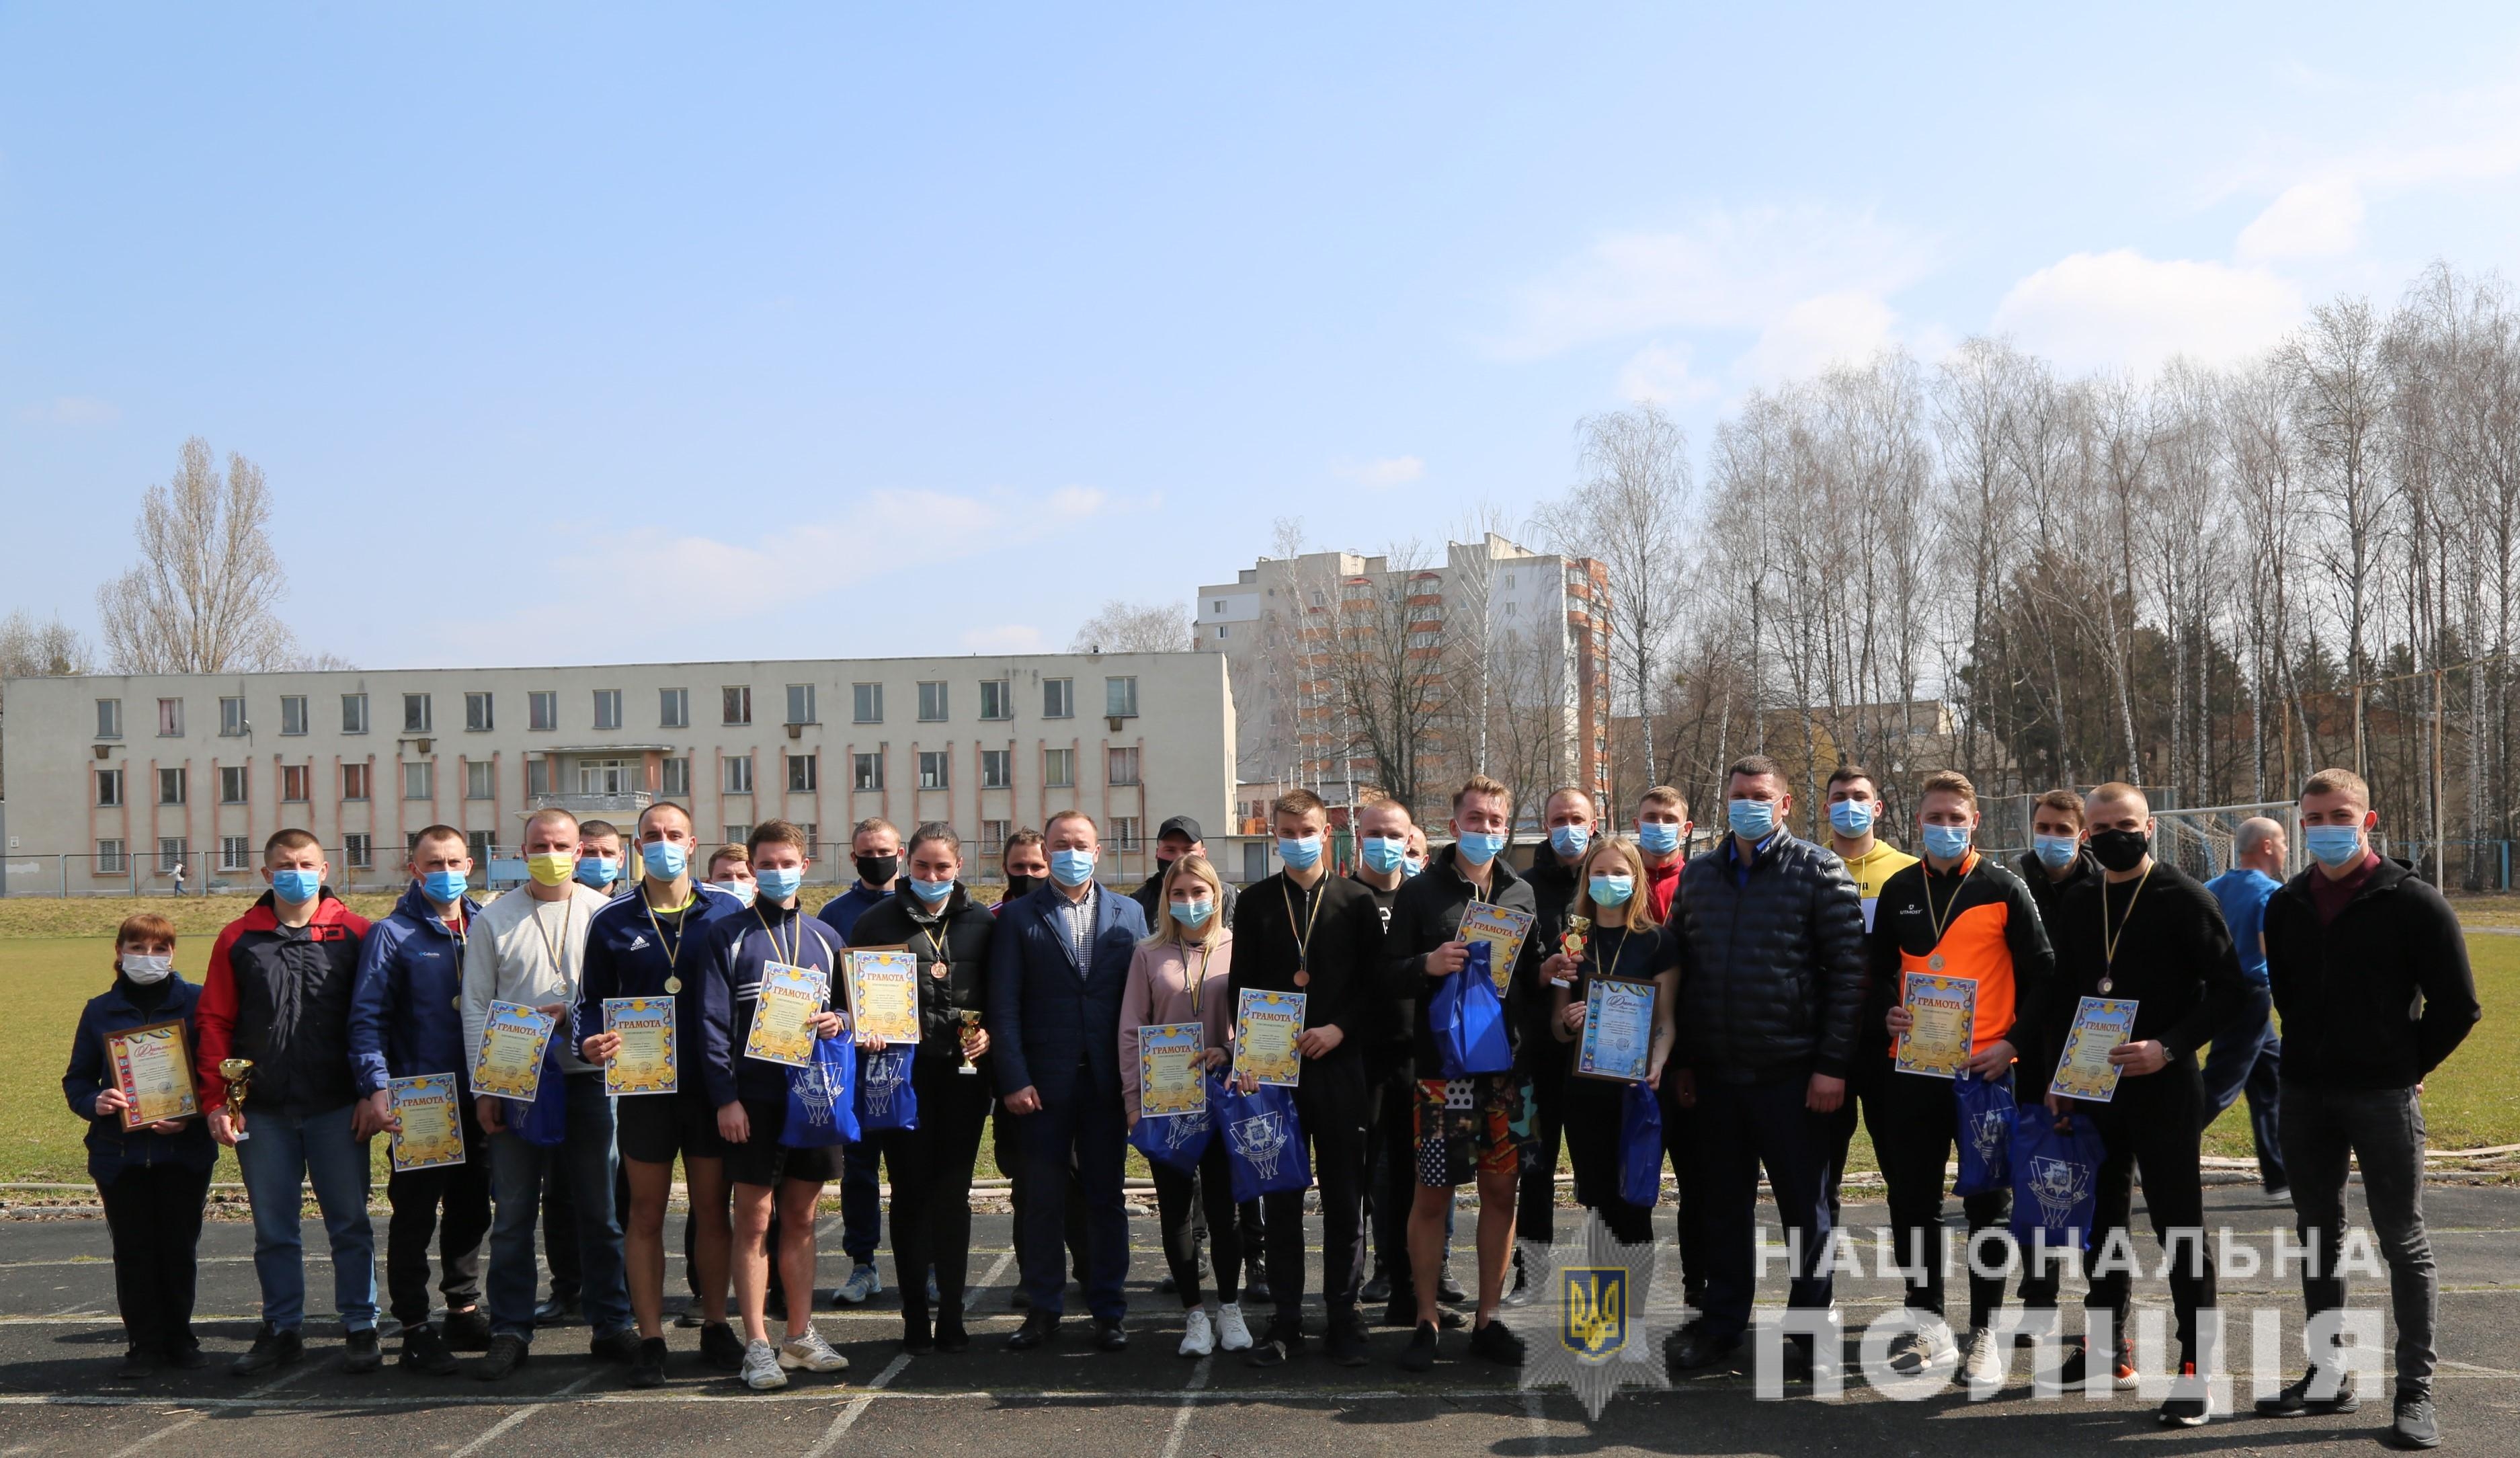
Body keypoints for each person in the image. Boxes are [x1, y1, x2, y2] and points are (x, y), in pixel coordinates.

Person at [2254, 769, 2480, 1449]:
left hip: (2381, 1097)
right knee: (2317, 1235)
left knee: (2401, 1242)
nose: (2325, 826)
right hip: (2302, 1096)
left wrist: (2403, 1065)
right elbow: (2287, 997)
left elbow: (2457, 1005)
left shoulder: (2413, 902)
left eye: (2338, 813)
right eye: (2313, 815)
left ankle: (2414, 1392)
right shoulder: (2285, 903)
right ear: (2299, 824)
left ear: (2367, 819)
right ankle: (2327, 1376)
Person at [2037, 782, 2248, 1426]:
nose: (2110, 837)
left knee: (2178, 1225)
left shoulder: (2183, 897)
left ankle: (2196, 1369)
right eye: (2097, 829)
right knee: (2100, 1223)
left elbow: (2234, 993)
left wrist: (2170, 1045)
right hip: (2092, 1085)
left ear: (2148, 825)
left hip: (2162, 1085)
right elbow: (2066, 992)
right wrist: (2056, 1074)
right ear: (2084, 835)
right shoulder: (2078, 900)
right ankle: (2108, 1347)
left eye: (2122, 824)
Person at [1665, 755, 1865, 1377]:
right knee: (1722, 1209)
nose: (1746, 805)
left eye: (1758, 795)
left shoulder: (1817, 869)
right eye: (1736, 795)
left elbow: (1849, 975)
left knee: (1806, 1211)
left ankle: (1808, 1331)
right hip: (1718, 1079)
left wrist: (1831, 1065)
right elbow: (1685, 978)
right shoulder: (1697, 878)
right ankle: (1722, 1324)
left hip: (1794, 1078)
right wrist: (1686, 1063)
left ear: (1783, 805)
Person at [1865, 771, 2051, 1385]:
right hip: (1913, 1072)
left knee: (1986, 1206)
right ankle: (1929, 1325)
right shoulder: (1897, 888)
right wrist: (1885, 1008)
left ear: (1974, 822)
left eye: (1954, 817)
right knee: (1910, 1201)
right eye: (1932, 817)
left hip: (1985, 1074)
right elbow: (1873, 972)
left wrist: (2012, 1045)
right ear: (1915, 822)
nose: (1942, 827)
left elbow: (2044, 977)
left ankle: (1985, 1333)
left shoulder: (2004, 887)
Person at [575, 801, 750, 1386]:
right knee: (644, 1212)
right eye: (652, 835)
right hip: (644, 1088)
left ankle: (717, 1323)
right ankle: (649, 1337)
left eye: (673, 834)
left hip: (711, 1087)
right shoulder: (612, 919)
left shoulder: (727, 909)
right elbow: (589, 1003)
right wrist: (588, 1042)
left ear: (693, 842)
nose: (663, 842)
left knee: (711, 1212)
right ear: (635, 845)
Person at [196, 829, 380, 1378]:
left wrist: (373, 1092)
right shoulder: (237, 937)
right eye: (283, 864)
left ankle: (360, 1324)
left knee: (349, 1222)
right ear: (265, 872)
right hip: (264, 1110)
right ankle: (281, 1328)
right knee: (274, 1228)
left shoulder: (359, 933)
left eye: (305, 863)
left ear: (325, 870)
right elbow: (214, 1022)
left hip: (336, 1107)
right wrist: (216, 1100)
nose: (294, 872)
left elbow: (375, 1020)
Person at [461, 807, 636, 1381]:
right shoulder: (494, 917)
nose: (551, 852)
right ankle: (510, 1327)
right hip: (517, 1083)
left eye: (561, 844)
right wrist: (483, 1085)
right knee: (512, 1213)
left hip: (590, 1082)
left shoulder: (604, 913)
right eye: (539, 844)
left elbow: (621, 999)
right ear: (522, 848)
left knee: (601, 1210)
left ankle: (611, 1321)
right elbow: (475, 1006)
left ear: (580, 852)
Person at [692, 819, 854, 1391]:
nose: (776, 871)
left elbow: (849, 1012)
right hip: (753, 1101)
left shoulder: (826, 937)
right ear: (753, 867)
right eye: (766, 862)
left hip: (812, 1099)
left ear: (804, 865)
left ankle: (800, 1336)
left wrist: (842, 1019)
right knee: (754, 1219)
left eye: (787, 861)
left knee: (803, 1219)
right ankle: (758, 1343)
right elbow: (711, 1023)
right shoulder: (727, 934)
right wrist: (726, 1098)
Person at [1385, 774, 1539, 1372]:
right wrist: (1427, 962)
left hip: (1507, 1069)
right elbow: (1385, 974)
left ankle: (1488, 1319)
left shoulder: (1521, 893)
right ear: (1454, 826)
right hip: (1442, 1072)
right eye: (1474, 819)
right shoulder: (1420, 894)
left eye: (1494, 821)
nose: (1484, 830)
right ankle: (1425, 1319)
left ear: (1506, 828)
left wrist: (1552, 967)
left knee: (1503, 1191)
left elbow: (1529, 977)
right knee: (1432, 1195)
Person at [1229, 788, 1386, 1367]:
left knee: (1345, 1198)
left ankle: (1344, 1317)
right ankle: (1287, 1321)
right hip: (1275, 1072)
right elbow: (1241, 985)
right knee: (1282, 1198)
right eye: (1286, 831)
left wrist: (1340, 1029)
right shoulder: (1254, 902)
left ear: (1328, 832)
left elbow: (1376, 987)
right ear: (1274, 834)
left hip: (1340, 1066)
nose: (1297, 840)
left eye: (1308, 830)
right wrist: (1246, 1058)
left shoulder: (1355, 900)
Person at [988, 809, 1149, 1352]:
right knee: (1041, 1200)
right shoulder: (1017, 918)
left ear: (1098, 851)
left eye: (1080, 843)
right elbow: (1003, 1004)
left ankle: (1108, 1308)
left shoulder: (1130, 914)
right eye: (1060, 842)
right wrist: (1013, 1076)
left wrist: (1141, 1082)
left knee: (1106, 1199)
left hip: (1108, 1083)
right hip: (1041, 1084)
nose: (1070, 851)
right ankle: (1043, 1308)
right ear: (1047, 849)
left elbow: (1143, 1003)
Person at [847, 822, 1000, 1354]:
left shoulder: (982, 921)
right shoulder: (875, 921)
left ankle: (952, 1314)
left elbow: (999, 996)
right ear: (906, 866)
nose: (931, 876)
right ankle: (914, 1316)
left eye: (941, 867)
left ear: (959, 868)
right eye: (921, 866)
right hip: (900, 1076)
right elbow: (853, 999)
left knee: (952, 1196)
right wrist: (862, 1027)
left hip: (962, 1078)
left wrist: (990, 1034)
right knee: (909, 1194)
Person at [347, 826, 493, 1375]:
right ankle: (412, 1324)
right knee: (413, 1216)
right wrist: (376, 1085)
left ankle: (463, 1305)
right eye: (433, 862)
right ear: (414, 868)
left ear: (471, 863)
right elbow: (367, 1019)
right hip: (421, 1097)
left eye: (454, 860)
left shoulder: (485, 924)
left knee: (472, 1206)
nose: (445, 871)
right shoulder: (392, 933)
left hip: (480, 1093)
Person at [65, 912, 218, 1378]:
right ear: (119, 951)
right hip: (120, 1155)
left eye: (159, 949)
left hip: (182, 1153)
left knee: (178, 1246)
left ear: (173, 953)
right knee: (132, 1250)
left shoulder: (197, 1001)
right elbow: (76, 1080)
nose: (147, 957)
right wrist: (98, 1100)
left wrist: (189, 1116)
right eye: (138, 947)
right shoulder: (99, 1010)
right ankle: (144, 1343)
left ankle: (180, 1337)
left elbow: (213, 1074)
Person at [1121, 852, 1253, 1357]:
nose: (1190, 902)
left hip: (1224, 1099)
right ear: (1166, 899)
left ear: (1217, 895)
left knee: (1225, 1210)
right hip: (1168, 1099)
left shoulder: (1238, 949)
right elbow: (1130, 1031)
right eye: (1180, 893)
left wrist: (1232, 1048)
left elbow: (1256, 1021)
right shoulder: (1147, 954)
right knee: (1175, 1211)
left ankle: (1229, 1306)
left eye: (1199, 892)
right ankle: (1194, 1314)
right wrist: (1134, 1102)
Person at [1544, 837, 1680, 1243]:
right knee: (1599, 1209)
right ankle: (1607, 1307)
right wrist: (1569, 1023)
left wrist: (1657, 1063)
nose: (1609, 880)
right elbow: (1557, 1024)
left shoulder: (1658, 942)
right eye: (1599, 872)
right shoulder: (1570, 941)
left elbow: (1666, 1020)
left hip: (1637, 1091)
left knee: (1635, 1205)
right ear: (1586, 879)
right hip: (1585, 1092)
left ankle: (1633, 1308)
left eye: (1619, 873)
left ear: (1636, 880)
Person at [1351, 795, 1447, 1323]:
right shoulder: (1344, 898)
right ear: (1357, 836)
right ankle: (1382, 1268)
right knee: (1368, 1172)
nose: (1387, 844)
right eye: (1376, 833)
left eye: (1398, 835)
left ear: (1414, 837)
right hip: (1362, 1053)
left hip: (1421, 1050)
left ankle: (1422, 1276)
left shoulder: (1423, 898)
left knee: (1421, 1171)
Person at [993, 827, 1090, 1307]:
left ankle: (1088, 1268)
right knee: (1029, 1184)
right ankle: (1033, 1276)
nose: (1030, 874)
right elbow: (1000, 1003)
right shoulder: (998, 919)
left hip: (1083, 1074)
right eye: (1020, 867)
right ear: (1005, 869)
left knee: (1082, 1180)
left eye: (1037, 866)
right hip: (1025, 1078)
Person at [1818, 764, 1916, 1225]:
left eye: (1859, 795)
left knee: (1906, 1175)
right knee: (1819, 1180)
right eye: (1839, 796)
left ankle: (1920, 1289)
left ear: (1877, 807)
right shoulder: (1806, 868)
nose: (1849, 805)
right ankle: (1820, 1289)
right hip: (1824, 1048)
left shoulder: (1908, 871)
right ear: (1825, 808)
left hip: (1891, 1046)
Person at [1510, 785, 1598, 1300]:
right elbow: (1509, 977)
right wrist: (1540, 975)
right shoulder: (1522, 889)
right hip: (1536, 1056)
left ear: (1595, 821)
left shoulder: (1609, 880)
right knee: (1535, 1169)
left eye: (1577, 817)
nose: (1568, 826)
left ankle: (1597, 1274)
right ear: (1545, 825)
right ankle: (1531, 1273)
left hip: (1596, 1056)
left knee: (1594, 1173)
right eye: (1558, 817)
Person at [818, 815, 905, 1307]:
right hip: (853, 1059)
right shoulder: (833, 913)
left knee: (913, 1168)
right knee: (859, 1166)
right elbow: (824, 988)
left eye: (885, 850)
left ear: (900, 850)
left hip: (908, 1058)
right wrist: (849, 1024)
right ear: (853, 857)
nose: (878, 858)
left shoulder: (915, 905)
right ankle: (862, 1263)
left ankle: (927, 1262)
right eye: (867, 852)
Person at [2200, 817, 2289, 1200]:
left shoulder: (2211, 889)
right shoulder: (2270, 893)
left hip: (2216, 993)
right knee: (2221, 1084)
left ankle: (2281, 1174)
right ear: (2268, 846)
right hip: (2250, 994)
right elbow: (2273, 951)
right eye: (2284, 841)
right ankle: (2154, 1142)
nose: (2287, 849)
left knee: (2271, 1078)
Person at [1131, 814, 1239, 929]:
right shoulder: (1138, 904)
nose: (1179, 858)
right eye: (1170, 850)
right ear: (1157, 853)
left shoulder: (1232, 898)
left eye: (1188, 850)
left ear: (1203, 855)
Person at [1635, 785, 1693, 922]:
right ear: (1637, 825)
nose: (1660, 825)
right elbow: (1580, 931)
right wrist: (1574, 945)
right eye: (1651, 818)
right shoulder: (1619, 878)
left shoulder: (1697, 882)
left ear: (1686, 829)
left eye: (1670, 819)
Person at [576, 819, 626, 894]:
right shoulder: (557, 902)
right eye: (590, 852)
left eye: (608, 853)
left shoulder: (637, 903)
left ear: (621, 859)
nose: (600, 859)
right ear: (575, 856)